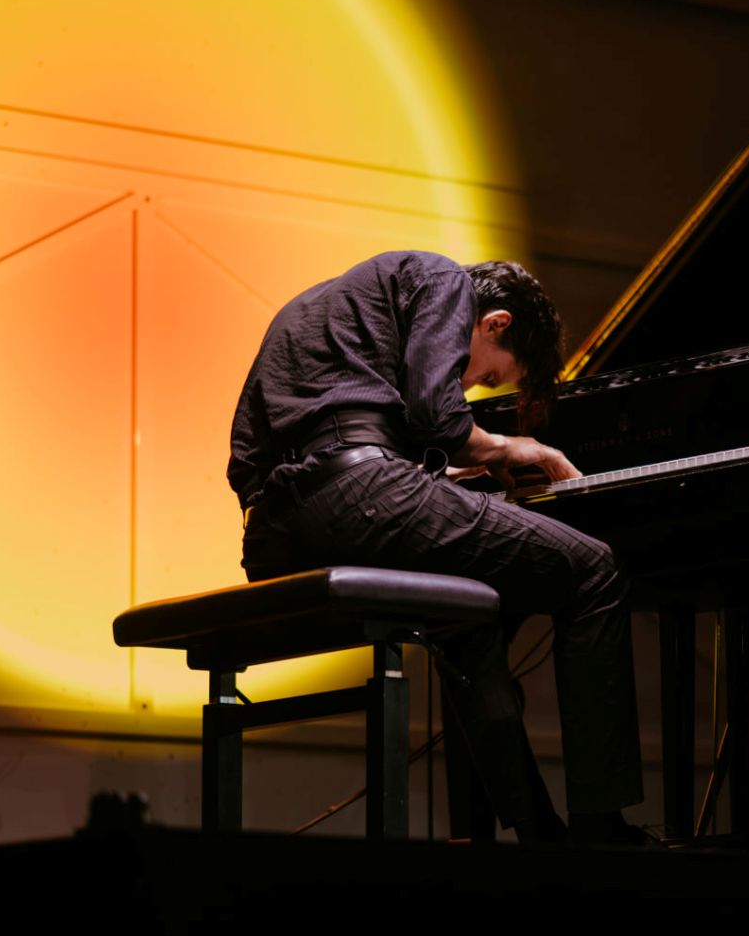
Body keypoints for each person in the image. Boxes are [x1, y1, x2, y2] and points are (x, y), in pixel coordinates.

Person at [227, 250, 645, 845]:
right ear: (494, 323)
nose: (474, 385)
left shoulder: (315, 306)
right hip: (361, 497)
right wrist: (511, 447)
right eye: (490, 376)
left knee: (466, 622)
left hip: (274, 536)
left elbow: (258, 454)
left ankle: (539, 833)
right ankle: (603, 830)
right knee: (594, 569)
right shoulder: (443, 280)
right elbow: (438, 415)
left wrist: (408, 477)